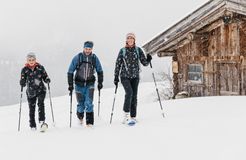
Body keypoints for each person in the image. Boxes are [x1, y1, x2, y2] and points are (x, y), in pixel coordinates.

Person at [114, 32, 152, 124]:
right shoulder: (122, 51)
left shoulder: (138, 50)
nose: (130, 40)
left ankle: (133, 116)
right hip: (124, 76)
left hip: (135, 77)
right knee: (129, 93)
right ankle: (126, 116)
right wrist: (116, 76)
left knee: (134, 96)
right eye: (128, 38)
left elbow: (144, 63)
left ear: (134, 40)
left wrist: (148, 59)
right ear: (126, 40)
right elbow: (118, 64)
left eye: (132, 38)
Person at [67, 41, 103, 127]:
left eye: (89, 49)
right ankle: (80, 118)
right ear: (83, 48)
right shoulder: (78, 57)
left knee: (89, 103)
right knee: (81, 104)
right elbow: (70, 71)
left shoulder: (94, 58)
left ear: (92, 49)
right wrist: (70, 84)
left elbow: (100, 70)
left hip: (90, 84)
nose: (87, 50)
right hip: (79, 85)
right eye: (86, 48)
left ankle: (90, 123)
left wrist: (100, 82)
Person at [19, 52, 50, 130]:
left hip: (41, 90)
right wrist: (22, 82)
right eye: (29, 60)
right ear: (27, 60)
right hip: (31, 92)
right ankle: (32, 125)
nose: (31, 61)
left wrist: (47, 79)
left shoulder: (40, 67)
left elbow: (45, 76)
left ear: (35, 60)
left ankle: (41, 121)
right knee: (31, 108)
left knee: (41, 104)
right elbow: (23, 79)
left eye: (33, 59)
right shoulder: (24, 70)